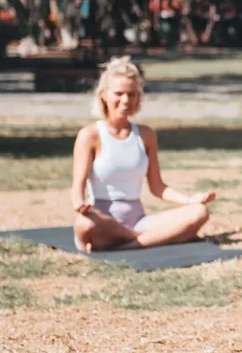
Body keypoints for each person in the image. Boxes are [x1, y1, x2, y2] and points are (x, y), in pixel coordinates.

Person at [71, 57, 214, 252]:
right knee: (84, 224)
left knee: (199, 212)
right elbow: (77, 188)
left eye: (131, 94)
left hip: (138, 222)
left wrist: (190, 200)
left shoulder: (146, 135)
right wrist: (80, 204)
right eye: (119, 94)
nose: (125, 100)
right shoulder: (90, 135)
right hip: (103, 222)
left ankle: (130, 244)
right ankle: (153, 240)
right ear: (104, 95)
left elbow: (157, 187)